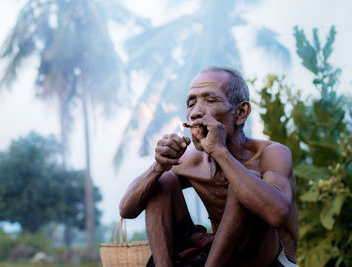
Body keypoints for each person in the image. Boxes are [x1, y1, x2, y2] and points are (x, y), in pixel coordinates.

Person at [119, 67, 298, 267]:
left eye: (210, 100)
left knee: (246, 180)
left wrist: (220, 152)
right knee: (162, 180)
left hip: (269, 260)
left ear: (241, 112)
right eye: (191, 103)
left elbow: (277, 214)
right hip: (221, 257)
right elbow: (126, 210)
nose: (195, 113)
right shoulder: (191, 162)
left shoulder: (272, 154)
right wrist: (158, 167)